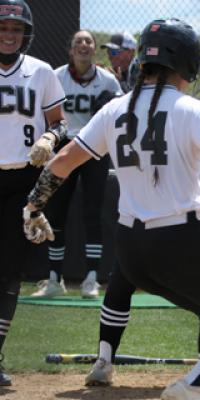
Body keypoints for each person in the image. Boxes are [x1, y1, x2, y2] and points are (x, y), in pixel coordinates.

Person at [23, 18, 200, 400]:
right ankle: (194, 384)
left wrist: (33, 205)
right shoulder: (191, 108)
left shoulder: (115, 107)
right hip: (181, 237)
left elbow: (62, 160)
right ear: (187, 62)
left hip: (132, 249)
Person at [84, 162, 200, 386]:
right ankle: (104, 360)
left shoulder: (190, 124)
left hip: (192, 201)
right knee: (121, 278)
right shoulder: (125, 124)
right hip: (145, 202)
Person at [0, 0, 66, 385]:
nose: (9, 36)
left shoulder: (41, 72)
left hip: (22, 179)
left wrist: (48, 136)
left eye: (15, 30)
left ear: (25, 34)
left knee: (9, 272)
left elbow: (62, 125)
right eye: (3, 28)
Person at [31, 30, 122, 299]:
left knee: (93, 212)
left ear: (94, 49)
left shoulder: (107, 80)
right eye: (78, 42)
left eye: (88, 41)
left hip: (94, 148)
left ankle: (91, 278)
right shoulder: (57, 76)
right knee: (56, 212)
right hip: (64, 146)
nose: (83, 45)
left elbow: (119, 114)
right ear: (70, 50)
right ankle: (53, 279)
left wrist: (111, 106)